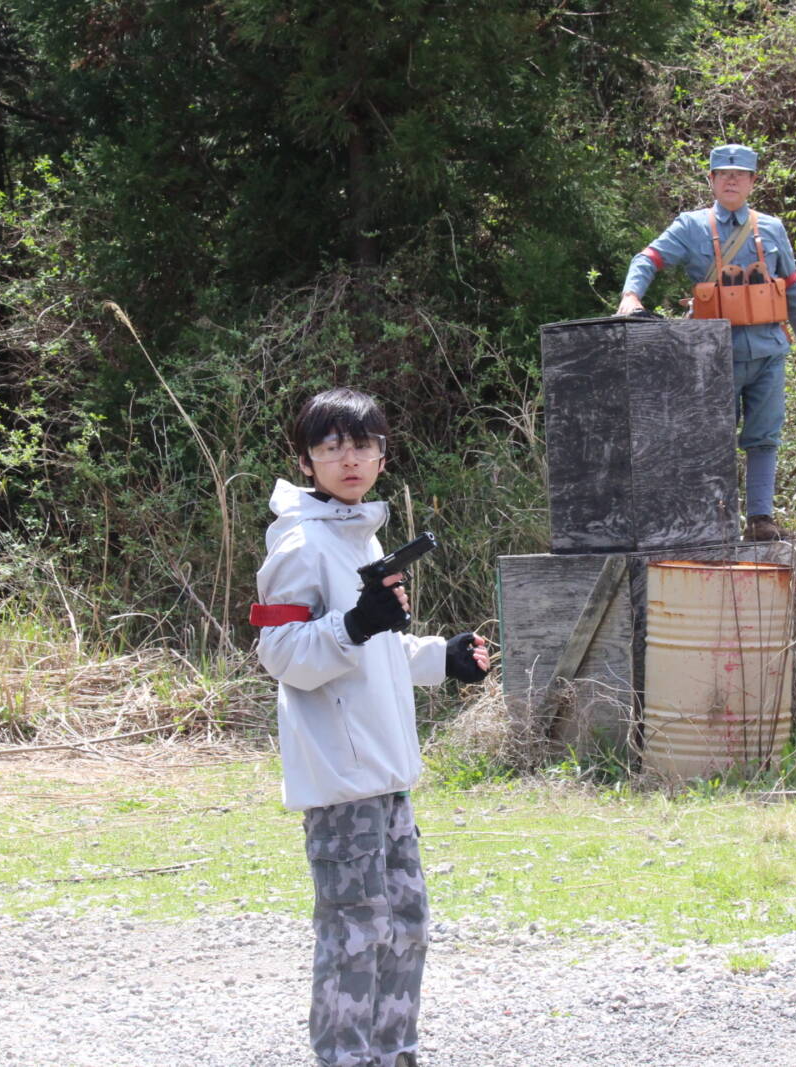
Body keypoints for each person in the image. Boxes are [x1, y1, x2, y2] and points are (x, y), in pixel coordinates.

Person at [253, 387, 491, 1067]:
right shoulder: (300, 542)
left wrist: (442, 657)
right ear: (306, 461)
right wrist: (356, 622)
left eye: (362, 445)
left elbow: (376, 650)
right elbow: (280, 653)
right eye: (331, 447)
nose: (349, 459)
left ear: (383, 457)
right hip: (341, 778)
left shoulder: (358, 533)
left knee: (406, 927)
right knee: (354, 934)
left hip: (385, 774)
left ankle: (395, 1054)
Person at [616, 143, 796, 542]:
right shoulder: (690, 226)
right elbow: (648, 259)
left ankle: (760, 520)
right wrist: (631, 295)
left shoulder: (771, 227)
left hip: (768, 349)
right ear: (711, 180)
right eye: (724, 174)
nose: (732, 180)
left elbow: (793, 285)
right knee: (711, 438)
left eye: (740, 174)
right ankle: (712, 523)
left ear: (752, 182)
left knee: (764, 437)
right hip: (712, 354)